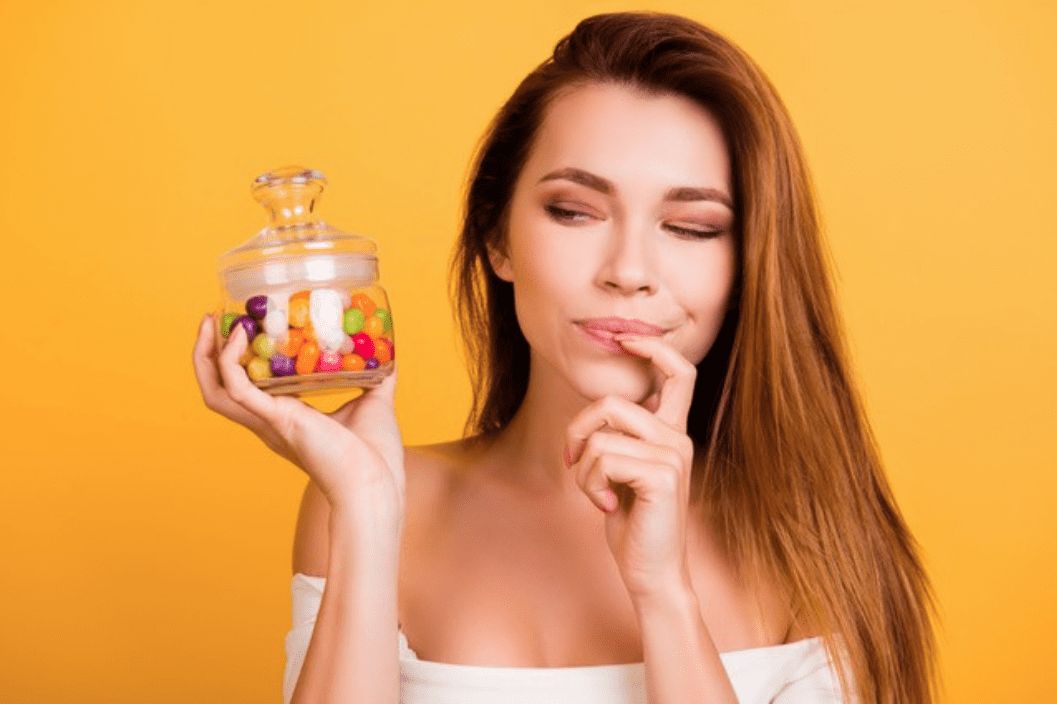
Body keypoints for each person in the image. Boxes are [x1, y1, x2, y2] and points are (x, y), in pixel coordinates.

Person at [193, 11, 936, 704]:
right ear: (497, 238)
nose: (628, 269)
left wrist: (663, 594)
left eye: (691, 226)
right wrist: (364, 510)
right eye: (575, 211)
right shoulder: (367, 499)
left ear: (748, 268)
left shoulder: (812, 538)